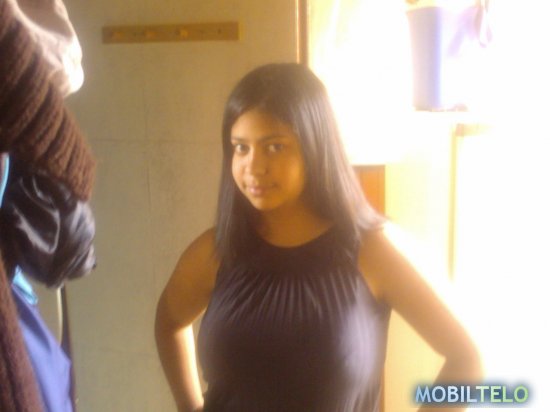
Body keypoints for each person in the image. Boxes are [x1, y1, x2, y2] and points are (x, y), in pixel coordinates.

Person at [155, 63, 482, 412]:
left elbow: (467, 358)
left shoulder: (373, 251)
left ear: (315, 148)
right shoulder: (216, 251)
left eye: (274, 147)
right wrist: (190, 407)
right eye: (241, 147)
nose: (254, 166)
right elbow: (169, 323)